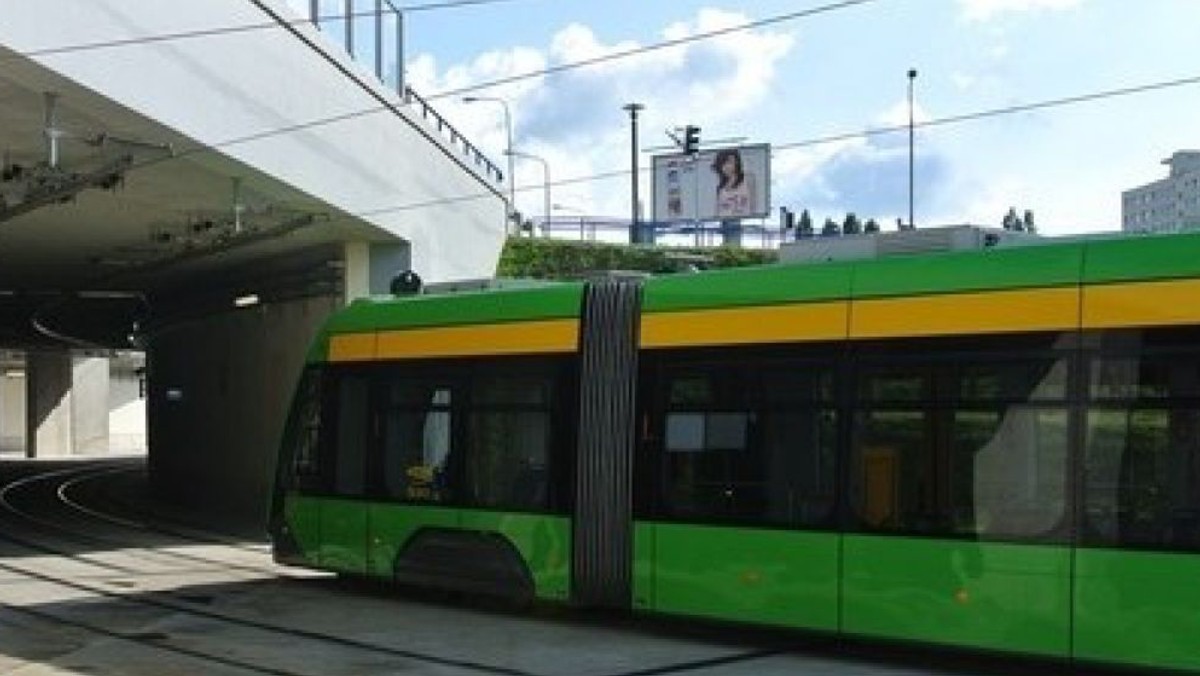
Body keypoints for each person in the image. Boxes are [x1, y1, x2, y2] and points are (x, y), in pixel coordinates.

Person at [711, 149, 756, 218]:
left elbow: (753, 205)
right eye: (723, 163)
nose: (727, 166)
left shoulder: (748, 179)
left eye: (730, 162)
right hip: (725, 223)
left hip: (743, 221)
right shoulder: (720, 188)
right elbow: (717, 212)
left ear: (736, 162)